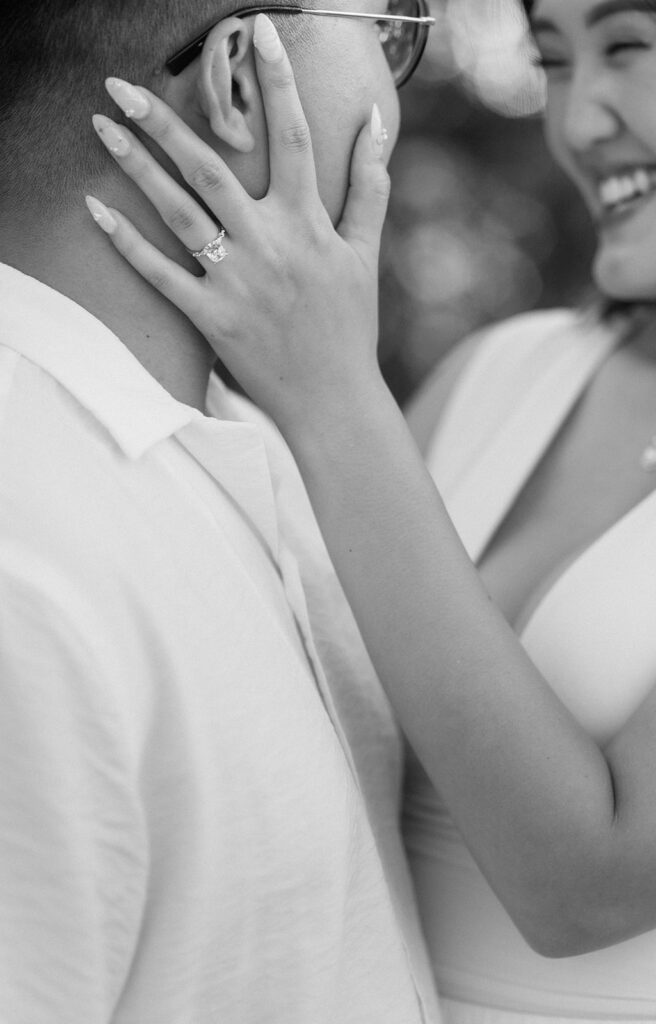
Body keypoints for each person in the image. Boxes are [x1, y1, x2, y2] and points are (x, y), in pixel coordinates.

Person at [93, 0, 656, 1020]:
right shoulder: (502, 369)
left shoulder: (357, 414)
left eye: (625, 48)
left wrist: (330, 389)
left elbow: (583, 887)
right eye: (550, 62)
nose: (578, 122)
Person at [0, 3, 443, 1022]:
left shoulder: (268, 451)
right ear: (242, 78)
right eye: (392, 29)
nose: (391, 82)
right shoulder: (27, 566)